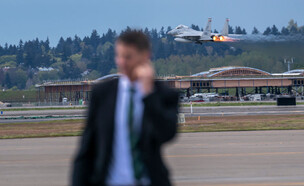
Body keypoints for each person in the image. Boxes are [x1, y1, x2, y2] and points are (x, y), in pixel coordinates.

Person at [71, 30, 179, 186]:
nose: (121, 62)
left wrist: (148, 96)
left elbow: (167, 134)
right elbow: (86, 150)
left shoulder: (163, 94)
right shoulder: (103, 93)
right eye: (119, 56)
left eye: (128, 57)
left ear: (145, 56)